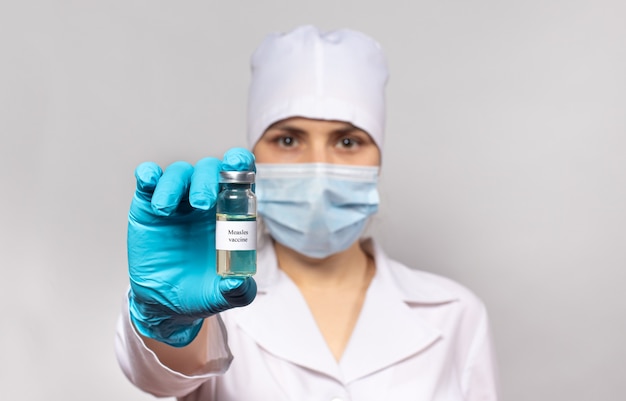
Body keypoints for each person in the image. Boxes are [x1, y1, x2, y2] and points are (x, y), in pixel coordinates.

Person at [115, 25, 500, 400]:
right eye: (287, 139)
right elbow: (160, 380)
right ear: (255, 156)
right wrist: (167, 324)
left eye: (348, 141)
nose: (319, 166)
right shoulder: (212, 302)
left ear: (377, 159)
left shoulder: (455, 312)